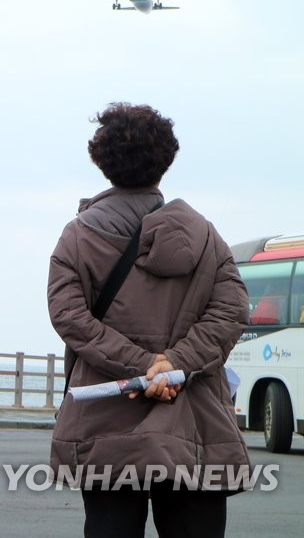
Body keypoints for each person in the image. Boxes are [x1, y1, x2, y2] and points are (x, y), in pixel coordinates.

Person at [47, 103, 250, 538]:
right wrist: (173, 363)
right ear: (166, 161)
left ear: (103, 162)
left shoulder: (78, 236)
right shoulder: (206, 236)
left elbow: (69, 316)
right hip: (193, 421)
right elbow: (231, 310)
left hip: (106, 417)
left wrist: (142, 365)